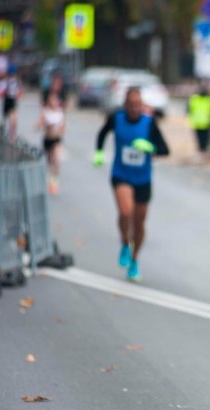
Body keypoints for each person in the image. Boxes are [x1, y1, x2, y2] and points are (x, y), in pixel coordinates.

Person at [93, 88, 169, 281]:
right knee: (126, 212)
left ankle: (135, 260)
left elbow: (165, 149)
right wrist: (99, 153)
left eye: (138, 105)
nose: (134, 108)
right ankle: (125, 243)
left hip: (143, 179)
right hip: (121, 175)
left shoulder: (149, 123)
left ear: (141, 105)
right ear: (125, 105)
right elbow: (102, 134)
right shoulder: (116, 119)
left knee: (139, 222)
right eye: (131, 105)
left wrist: (150, 147)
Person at [36, 94, 65, 194]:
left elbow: (63, 128)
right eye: (52, 101)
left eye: (55, 101)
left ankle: (55, 181)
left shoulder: (60, 113)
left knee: (56, 161)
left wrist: (58, 130)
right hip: (47, 139)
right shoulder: (45, 113)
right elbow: (38, 126)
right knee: (49, 162)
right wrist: (46, 125)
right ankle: (51, 179)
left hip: (56, 139)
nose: (54, 103)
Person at [187, 83, 210, 163]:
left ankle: (202, 154)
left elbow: (189, 110)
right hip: (205, 123)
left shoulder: (194, 99)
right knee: (203, 140)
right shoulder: (209, 100)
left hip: (199, 123)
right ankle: (202, 153)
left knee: (201, 140)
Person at [0, 64, 21, 141]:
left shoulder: (16, 82)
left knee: (13, 118)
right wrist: (4, 92)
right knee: (4, 118)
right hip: (7, 100)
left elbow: (19, 91)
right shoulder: (4, 82)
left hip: (13, 100)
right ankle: (3, 132)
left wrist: (17, 95)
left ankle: (12, 133)